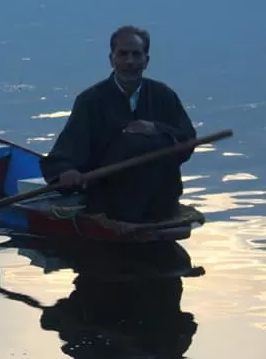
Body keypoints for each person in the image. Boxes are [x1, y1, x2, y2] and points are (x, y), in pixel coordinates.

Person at [39, 25, 196, 223]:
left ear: (146, 61)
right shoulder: (90, 100)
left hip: (160, 201)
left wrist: (156, 129)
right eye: (123, 54)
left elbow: (188, 140)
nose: (129, 61)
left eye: (136, 55)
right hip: (111, 202)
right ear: (111, 59)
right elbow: (67, 148)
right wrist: (67, 171)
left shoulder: (164, 95)